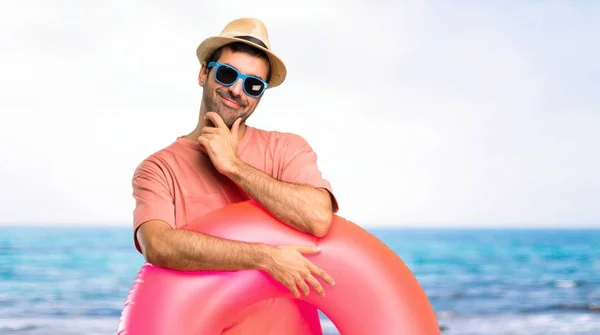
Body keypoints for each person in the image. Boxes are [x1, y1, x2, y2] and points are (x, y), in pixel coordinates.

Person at [130, 17, 339, 334]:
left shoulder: (286, 149)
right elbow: (157, 245)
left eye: (253, 85)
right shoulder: (158, 168)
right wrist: (265, 258)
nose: (237, 90)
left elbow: (318, 217)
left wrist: (234, 167)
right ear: (204, 73)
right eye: (227, 74)